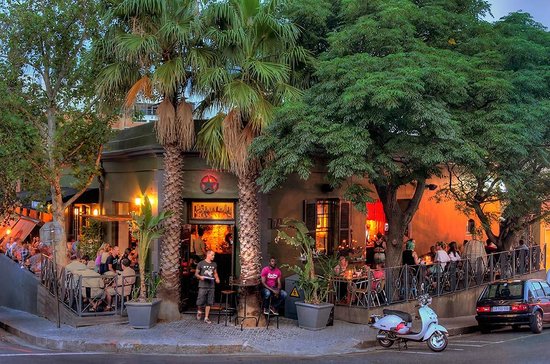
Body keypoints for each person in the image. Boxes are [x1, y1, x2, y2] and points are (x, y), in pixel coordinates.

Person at [195, 250, 220, 324]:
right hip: (202, 285)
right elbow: (196, 274)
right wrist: (200, 277)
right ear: (208, 255)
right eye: (212, 255)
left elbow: (215, 273)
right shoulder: (201, 263)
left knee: (209, 302)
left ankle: (206, 317)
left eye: (214, 255)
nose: (213, 256)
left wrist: (217, 278)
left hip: (211, 285)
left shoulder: (214, 264)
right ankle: (199, 311)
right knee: (200, 301)